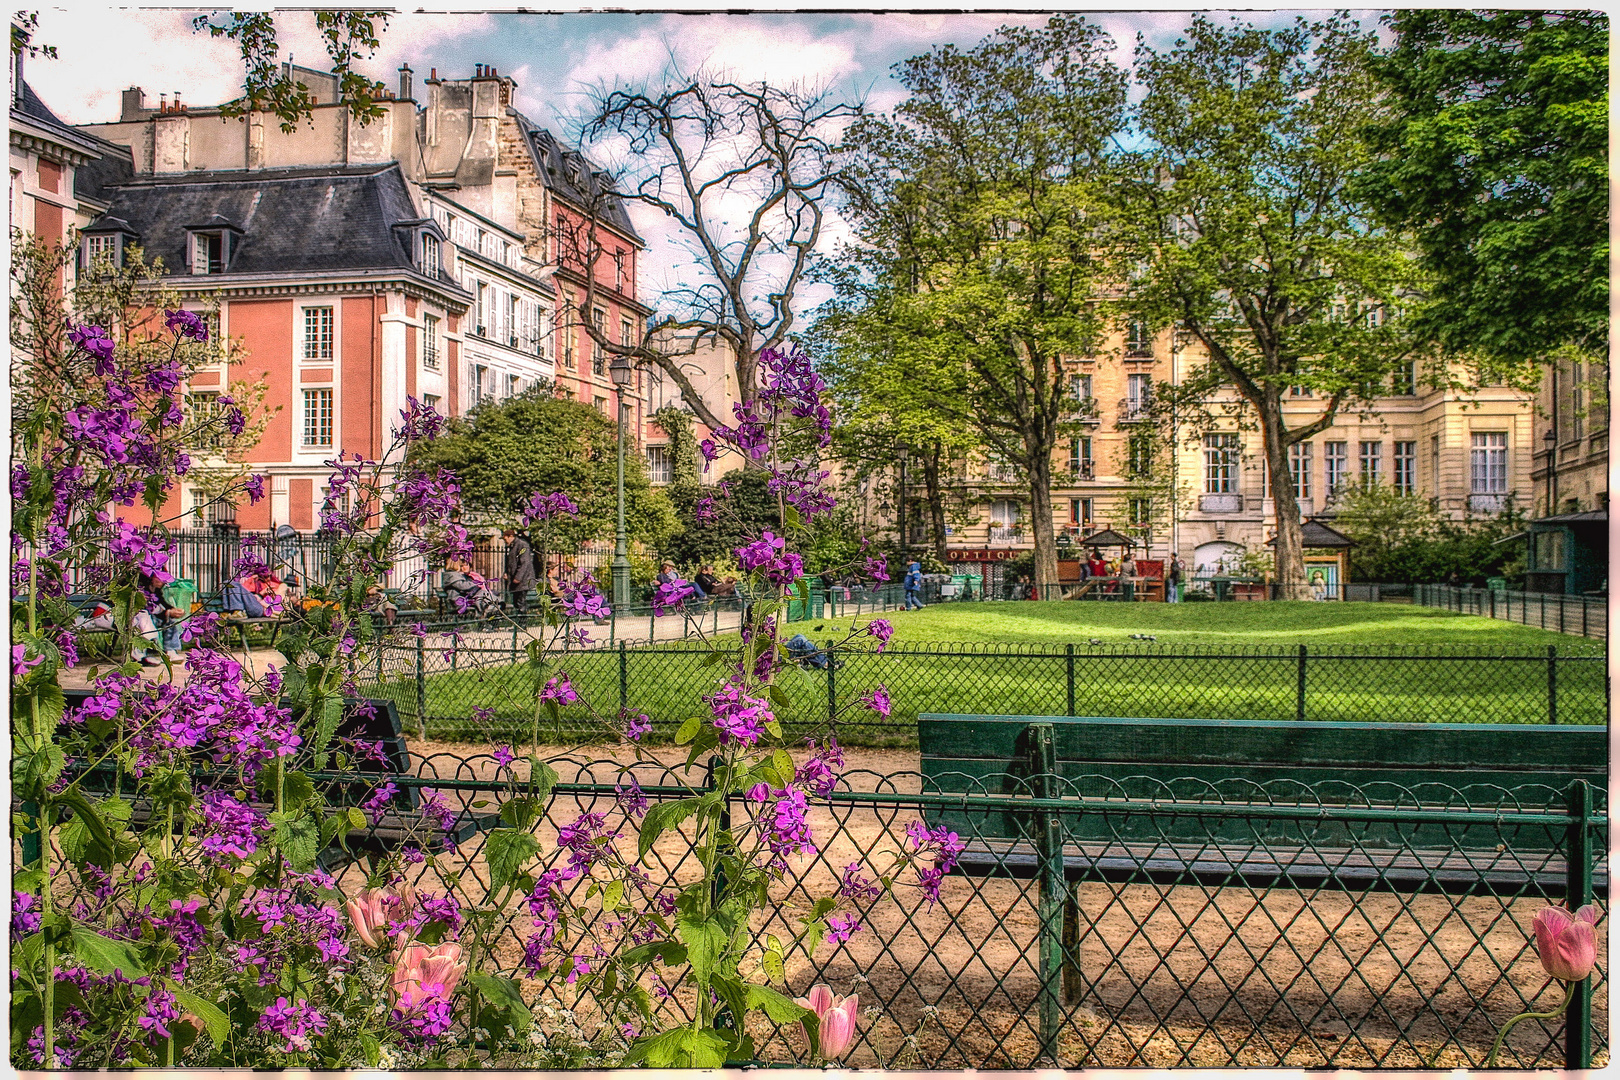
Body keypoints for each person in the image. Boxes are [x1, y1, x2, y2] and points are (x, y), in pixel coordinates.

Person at [132, 571, 184, 664]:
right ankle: (146, 654)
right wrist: (166, 613)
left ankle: (170, 651)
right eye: (159, 577)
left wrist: (173, 610)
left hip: (152, 619)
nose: (162, 581)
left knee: (170, 620)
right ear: (150, 577)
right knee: (147, 619)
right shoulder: (141, 589)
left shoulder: (156, 590)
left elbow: (162, 604)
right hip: (139, 619)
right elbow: (144, 610)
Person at [502, 527, 537, 615]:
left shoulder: (522, 545)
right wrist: (507, 573)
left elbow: (524, 563)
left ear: (510, 536)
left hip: (523, 581)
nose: (505, 541)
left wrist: (518, 577)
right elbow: (511, 563)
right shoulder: (512, 546)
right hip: (516, 581)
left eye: (505, 539)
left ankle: (522, 625)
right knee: (516, 603)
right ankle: (518, 624)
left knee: (520, 603)